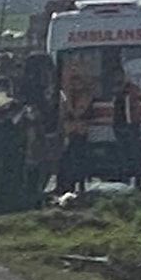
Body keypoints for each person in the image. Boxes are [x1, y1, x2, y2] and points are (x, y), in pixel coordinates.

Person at [56, 62, 92, 194]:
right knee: (65, 161)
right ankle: (64, 186)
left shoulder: (85, 95)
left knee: (78, 160)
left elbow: (78, 112)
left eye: (75, 81)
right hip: (68, 132)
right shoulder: (64, 95)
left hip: (80, 131)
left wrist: (69, 105)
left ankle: (77, 186)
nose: (73, 84)